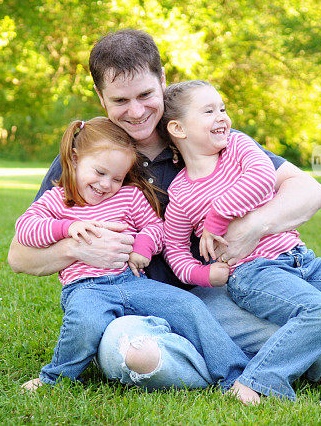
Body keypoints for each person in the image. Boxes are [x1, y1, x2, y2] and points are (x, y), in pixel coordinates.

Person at [8, 29, 321, 393]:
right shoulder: (90, 157)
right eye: (120, 100)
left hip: (214, 297)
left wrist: (252, 227)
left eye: (146, 94)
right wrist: (75, 247)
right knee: (135, 356)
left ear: (162, 80)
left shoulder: (202, 134)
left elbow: (310, 191)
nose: (136, 111)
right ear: (101, 97)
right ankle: (239, 367)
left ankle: (214, 361)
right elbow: (19, 256)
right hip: (126, 303)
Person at [160, 80, 321, 399]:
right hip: (253, 274)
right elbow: (176, 252)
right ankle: (255, 381)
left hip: (300, 259)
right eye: (209, 111)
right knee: (320, 314)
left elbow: (262, 178)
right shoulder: (182, 194)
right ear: (178, 128)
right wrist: (204, 274)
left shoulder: (237, 146)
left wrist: (218, 216)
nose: (222, 116)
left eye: (222, 108)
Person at [15, 117, 254, 401]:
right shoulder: (58, 200)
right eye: (100, 172)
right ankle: (55, 378)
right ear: (75, 159)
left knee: (188, 305)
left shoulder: (128, 197)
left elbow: (156, 227)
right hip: (85, 287)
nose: (106, 184)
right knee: (85, 322)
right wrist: (65, 229)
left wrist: (142, 247)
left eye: (116, 178)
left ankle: (234, 374)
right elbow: (25, 229)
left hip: (131, 280)